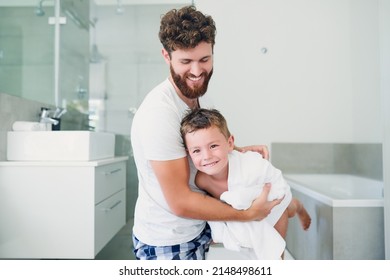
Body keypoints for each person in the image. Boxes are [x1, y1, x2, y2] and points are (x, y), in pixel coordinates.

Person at [130, 5, 288, 260]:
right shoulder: (159, 114)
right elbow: (179, 201)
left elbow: (199, 145)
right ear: (166, 56)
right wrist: (248, 214)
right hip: (168, 241)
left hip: (195, 229)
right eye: (185, 62)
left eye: (204, 59)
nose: (196, 72)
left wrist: (234, 150)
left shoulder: (195, 94)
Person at [180, 108, 311, 259]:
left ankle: (298, 206)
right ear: (188, 153)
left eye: (213, 146)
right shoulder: (202, 181)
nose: (207, 156)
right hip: (252, 210)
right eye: (196, 151)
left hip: (271, 198)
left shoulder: (250, 167)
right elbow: (222, 206)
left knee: (277, 250)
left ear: (230, 143)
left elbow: (274, 190)